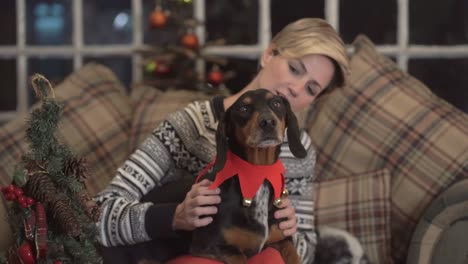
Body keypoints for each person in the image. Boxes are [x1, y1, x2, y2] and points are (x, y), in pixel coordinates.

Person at [95, 17, 349, 264]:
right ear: (269, 55)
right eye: (295, 69)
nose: (296, 88)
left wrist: (290, 230)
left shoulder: (299, 151)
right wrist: (173, 217)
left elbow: (306, 248)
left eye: (311, 89)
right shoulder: (192, 124)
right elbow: (97, 215)